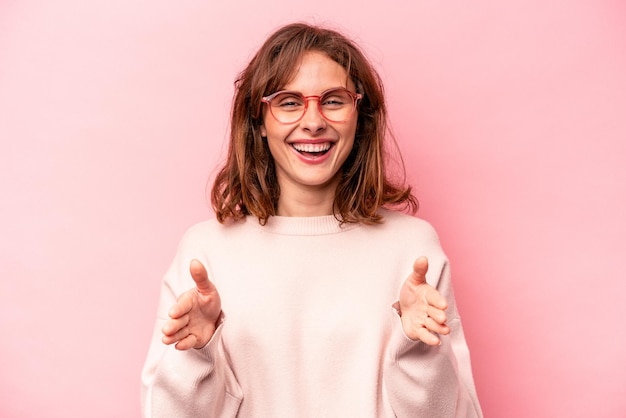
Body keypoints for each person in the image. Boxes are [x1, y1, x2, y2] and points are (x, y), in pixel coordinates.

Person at [141, 22, 482, 418]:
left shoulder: (412, 249)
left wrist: (418, 349)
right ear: (259, 121)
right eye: (288, 102)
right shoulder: (205, 253)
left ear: (361, 116)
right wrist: (197, 356)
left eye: (334, 100)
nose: (314, 121)